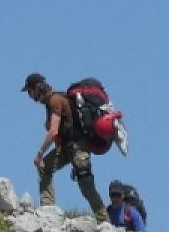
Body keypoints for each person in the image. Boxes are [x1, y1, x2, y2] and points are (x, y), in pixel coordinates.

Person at [23, 73, 107, 221]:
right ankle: (48, 209)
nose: (29, 96)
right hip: (67, 146)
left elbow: (53, 131)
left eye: (29, 91)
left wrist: (40, 153)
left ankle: (104, 221)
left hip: (78, 146)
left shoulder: (55, 100)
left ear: (36, 88)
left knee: (86, 185)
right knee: (44, 167)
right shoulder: (54, 99)